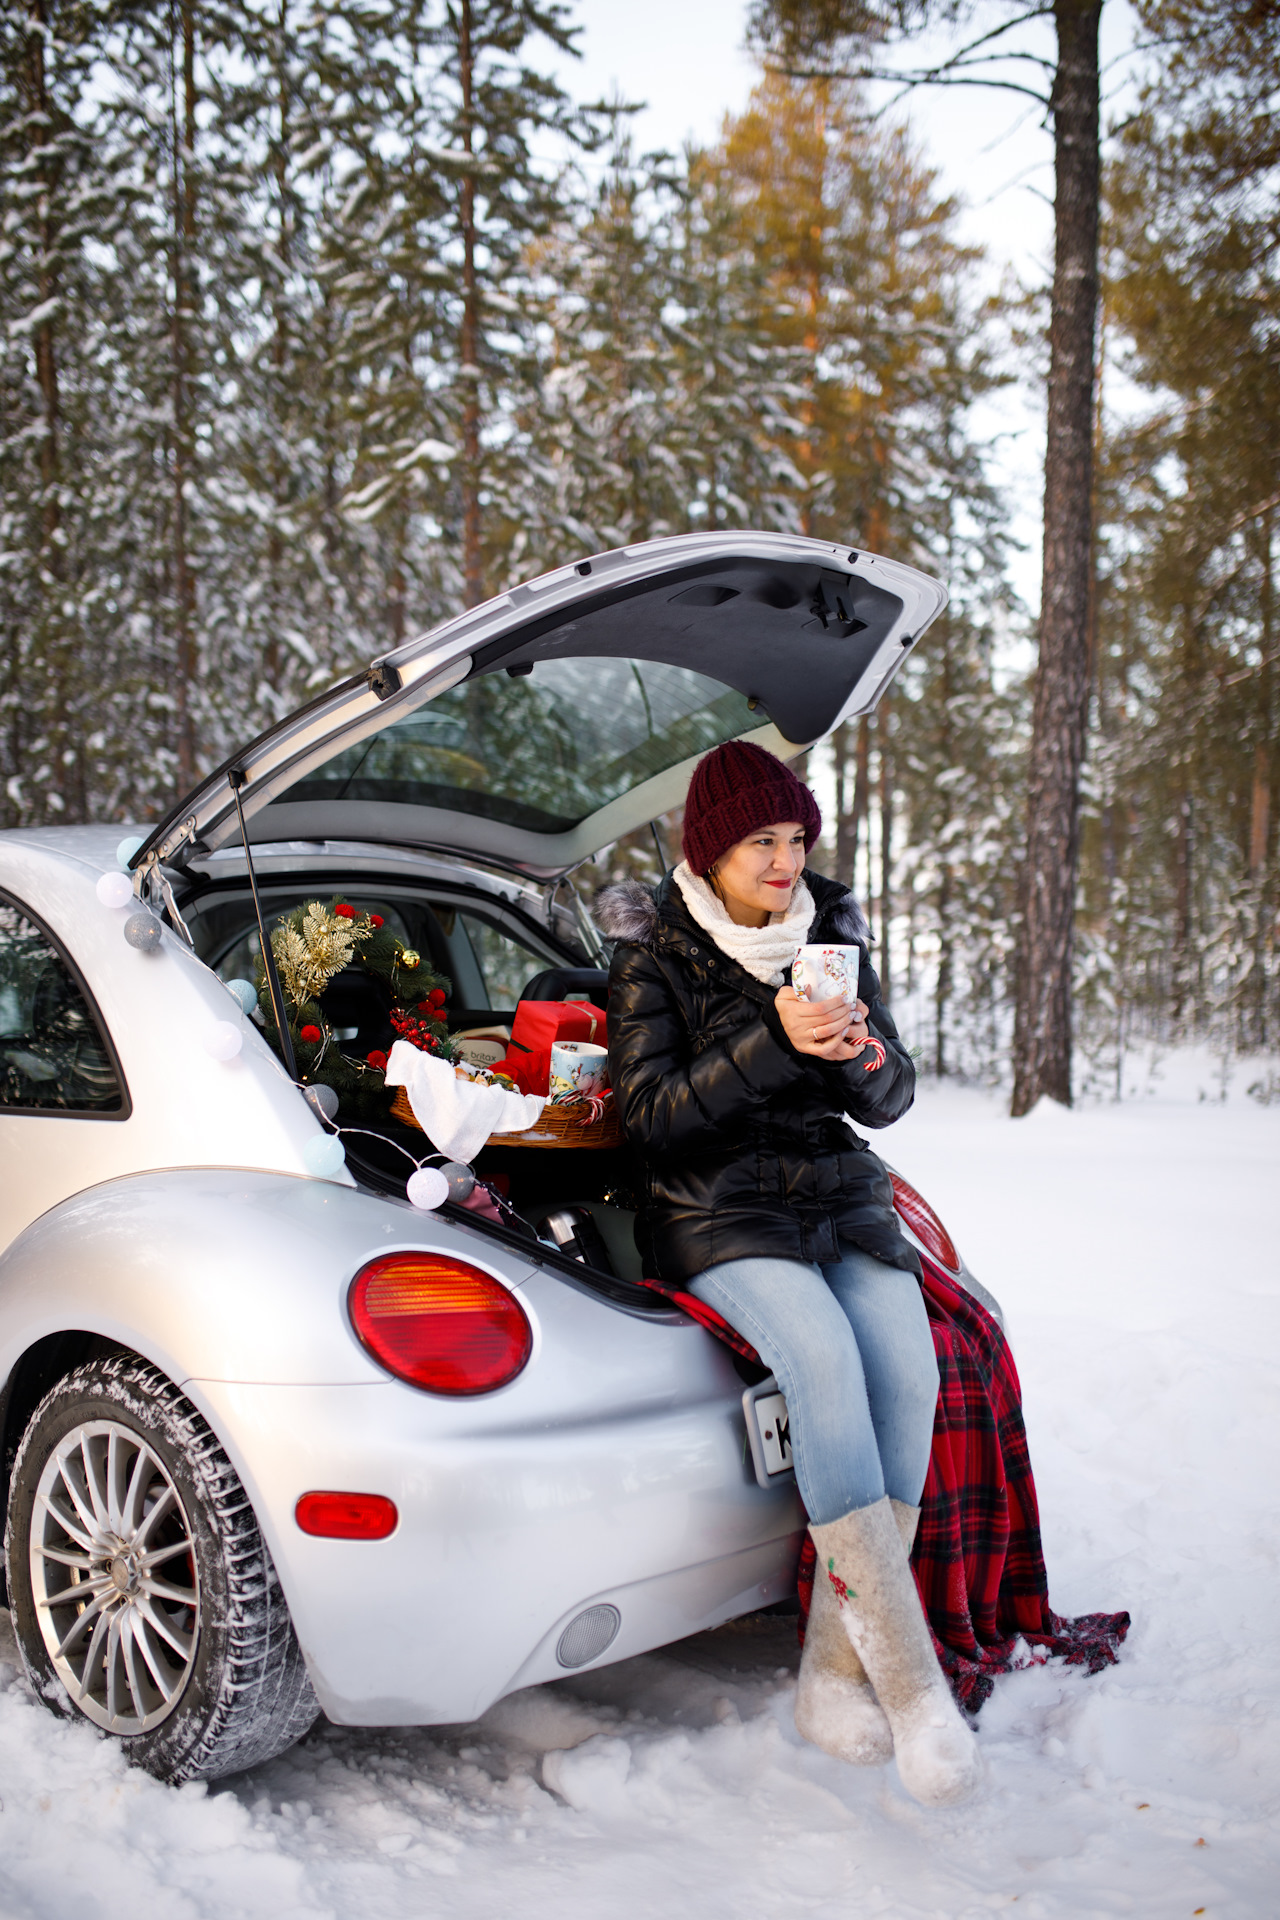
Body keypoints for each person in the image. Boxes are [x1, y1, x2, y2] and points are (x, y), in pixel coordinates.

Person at [596, 740, 981, 1808]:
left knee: (907, 1372)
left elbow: (889, 1098)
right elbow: (651, 1122)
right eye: (760, 841)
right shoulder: (653, 958)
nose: (783, 861)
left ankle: (827, 1676)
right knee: (819, 1362)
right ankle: (910, 1694)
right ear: (710, 851)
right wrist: (770, 1038)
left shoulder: (834, 933)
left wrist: (856, 1052)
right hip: (711, 1211)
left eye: (796, 838)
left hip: (836, 1200)